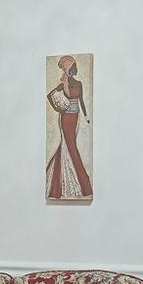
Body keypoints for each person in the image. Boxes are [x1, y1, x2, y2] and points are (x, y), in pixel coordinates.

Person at [45, 56, 91, 200]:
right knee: (70, 146)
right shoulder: (64, 83)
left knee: (69, 146)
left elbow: (81, 101)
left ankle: (58, 179)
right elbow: (50, 95)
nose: (73, 70)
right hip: (65, 118)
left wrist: (86, 116)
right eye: (71, 68)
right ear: (68, 70)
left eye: (73, 68)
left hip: (76, 118)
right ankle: (83, 184)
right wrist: (60, 107)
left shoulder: (79, 83)